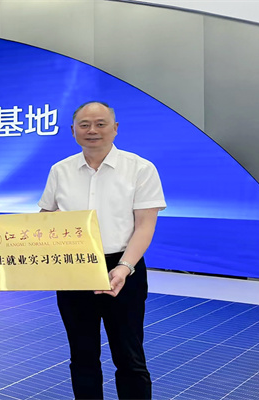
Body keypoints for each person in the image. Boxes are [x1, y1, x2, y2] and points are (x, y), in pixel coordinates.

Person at [38, 101, 166, 399]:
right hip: (73, 269)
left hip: (123, 268)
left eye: (100, 124)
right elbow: (45, 217)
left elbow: (145, 225)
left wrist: (124, 267)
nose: (92, 130)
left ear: (115, 128)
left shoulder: (140, 168)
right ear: (73, 131)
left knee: (129, 357)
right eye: (84, 125)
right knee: (82, 356)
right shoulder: (60, 170)